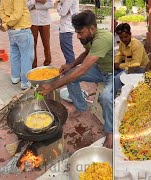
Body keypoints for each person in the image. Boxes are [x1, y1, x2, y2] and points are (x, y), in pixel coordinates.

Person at [37, 10, 113, 148]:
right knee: (70, 74)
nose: (77, 36)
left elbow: (83, 69)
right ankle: (81, 107)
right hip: (100, 69)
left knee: (106, 97)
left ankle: (110, 132)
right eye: (76, 32)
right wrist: (71, 65)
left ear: (92, 28)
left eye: (80, 33)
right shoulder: (88, 37)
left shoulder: (103, 39)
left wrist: (53, 86)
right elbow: (87, 52)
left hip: (113, 73)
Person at [1, 0, 34, 90]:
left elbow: (2, 12)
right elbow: (18, 14)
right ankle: (25, 82)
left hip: (12, 31)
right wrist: (8, 24)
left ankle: (15, 77)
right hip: (22, 29)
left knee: (15, 54)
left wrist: (7, 24)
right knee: (26, 56)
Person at [114, 23, 149, 97]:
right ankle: (115, 94)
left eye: (126, 37)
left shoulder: (136, 45)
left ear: (130, 34)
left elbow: (136, 63)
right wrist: (116, 62)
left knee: (118, 78)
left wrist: (120, 66)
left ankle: (115, 99)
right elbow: (120, 53)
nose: (123, 39)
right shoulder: (122, 43)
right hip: (129, 66)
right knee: (111, 73)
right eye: (121, 37)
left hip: (140, 69)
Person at [27, 0, 53, 68]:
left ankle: (48, 62)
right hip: (32, 22)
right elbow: (26, 6)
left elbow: (51, 4)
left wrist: (35, 6)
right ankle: (33, 65)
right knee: (32, 44)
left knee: (46, 43)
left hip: (45, 22)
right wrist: (35, 1)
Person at [57, 0, 79, 64]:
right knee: (66, 50)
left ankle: (70, 70)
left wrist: (60, 4)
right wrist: (60, 4)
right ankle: (70, 69)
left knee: (68, 52)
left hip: (66, 28)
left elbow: (62, 13)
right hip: (65, 27)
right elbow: (62, 11)